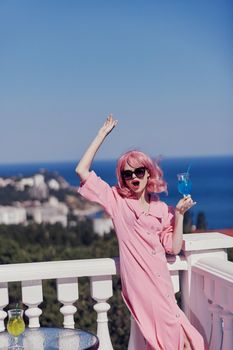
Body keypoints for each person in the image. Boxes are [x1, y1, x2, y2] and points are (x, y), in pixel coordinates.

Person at [75, 115, 206, 350]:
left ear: (149, 174)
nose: (133, 177)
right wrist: (102, 134)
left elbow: (173, 248)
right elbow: (82, 170)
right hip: (141, 287)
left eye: (139, 171)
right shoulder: (116, 200)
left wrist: (178, 215)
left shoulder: (161, 209)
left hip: (162, 284)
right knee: (174, 342)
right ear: (122, 178)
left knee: (188, 342)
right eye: (127, 173)